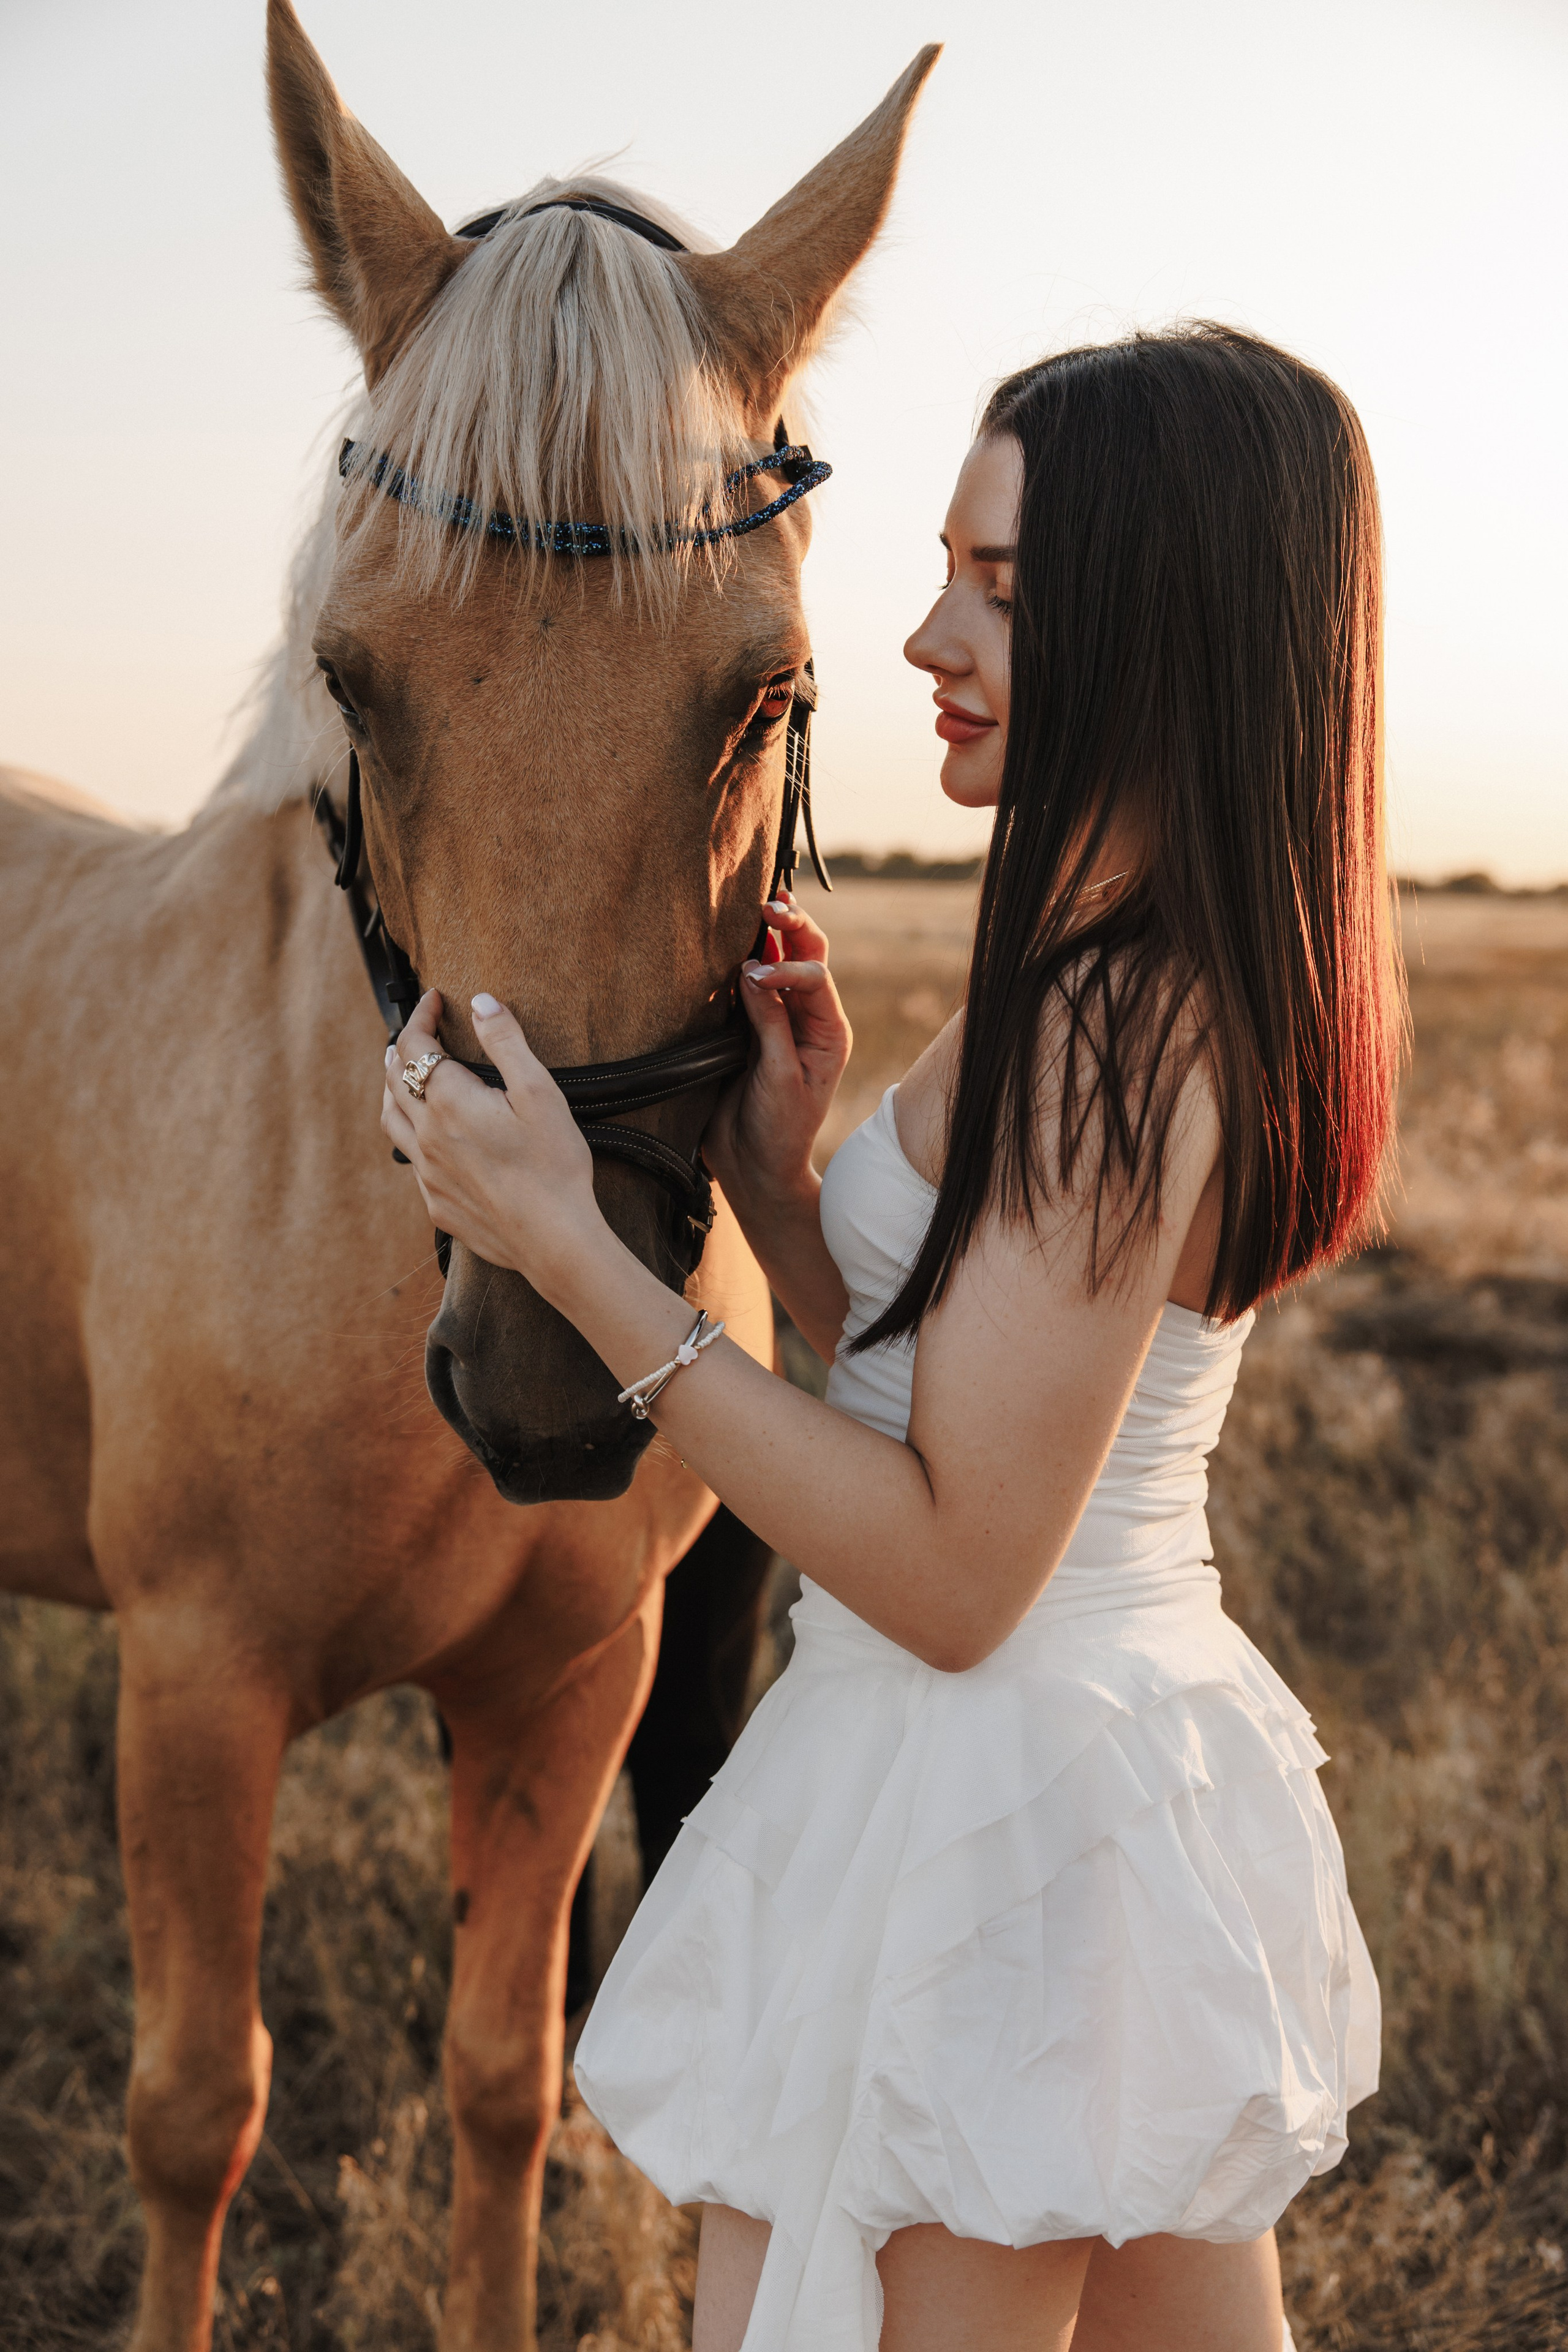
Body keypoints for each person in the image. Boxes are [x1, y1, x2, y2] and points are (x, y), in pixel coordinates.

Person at [380, 324, 1399, 2352]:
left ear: (1167, 617)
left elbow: (949, 1571)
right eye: (944, 567)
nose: (927, 633)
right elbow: (948, 1405)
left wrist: (579, 1257)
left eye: (1003, 591)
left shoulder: (1121, 1017)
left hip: (1004, 1819)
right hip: (1035, 1775)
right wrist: (782, 1188)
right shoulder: (1097, 958)